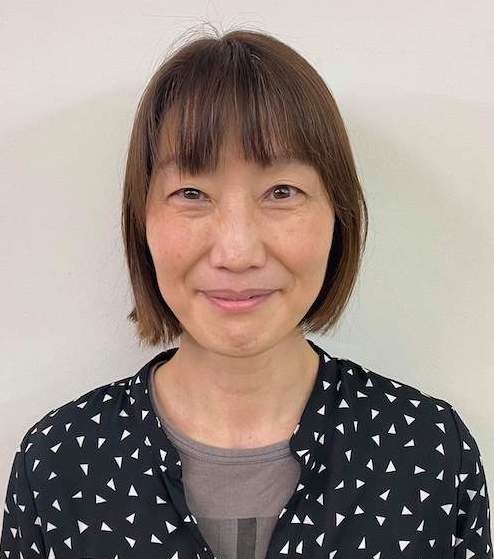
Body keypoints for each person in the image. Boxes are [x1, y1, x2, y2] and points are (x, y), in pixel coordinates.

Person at [1, 24, 492, 559]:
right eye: (191, 193)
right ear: (142, 220)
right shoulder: (57, 467)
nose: (236, 252)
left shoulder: (430, 452)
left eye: (282, 191)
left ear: (338, 216)